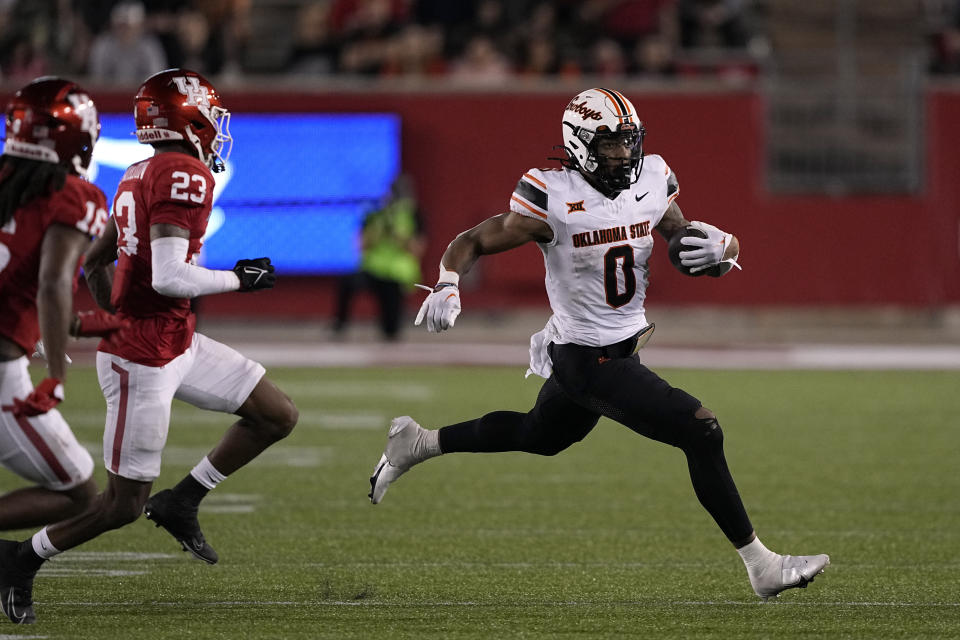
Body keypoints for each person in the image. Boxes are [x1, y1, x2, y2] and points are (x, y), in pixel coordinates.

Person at [369, 88, 829, 601]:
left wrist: (724, 246)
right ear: (580, 143)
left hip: (619, 346)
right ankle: (761, 565)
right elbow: (476, 238)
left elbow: (679, 235)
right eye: (610, 144)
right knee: (702, 432)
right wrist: (448, 281)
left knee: (539, 435)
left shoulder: (653, 177)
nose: (623, 155)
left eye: (629, 143)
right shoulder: (552, 194)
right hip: (586, 357)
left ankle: (418, 443)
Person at [0, 68, 298, 625]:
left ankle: (183, 499)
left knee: (275, 414)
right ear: (186, 117)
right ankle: (24, 556)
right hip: (145, 356)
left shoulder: (139, 171)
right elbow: (169, 277)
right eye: (208, 113)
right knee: (120, 505)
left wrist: (113, 315)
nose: (215, 124)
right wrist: (241, 277)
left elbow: (94, 260)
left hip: (173, 339)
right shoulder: (183, 173)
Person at [0, 77, 125, 532]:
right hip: (2, 376)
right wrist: (56, 372)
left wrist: (76, 327)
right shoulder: (73, 195)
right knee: (77, 493)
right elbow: (52, 283)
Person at [333, 174, 425, 341]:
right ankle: (339, 327)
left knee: (391, 330)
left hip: (397, 274)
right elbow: (361, 245)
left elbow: (417, 249)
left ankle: (390, 333)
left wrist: (399, 235)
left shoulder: (412, 215)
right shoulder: (376, 215)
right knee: (347, 283)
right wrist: (378, 231)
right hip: (372, 270)